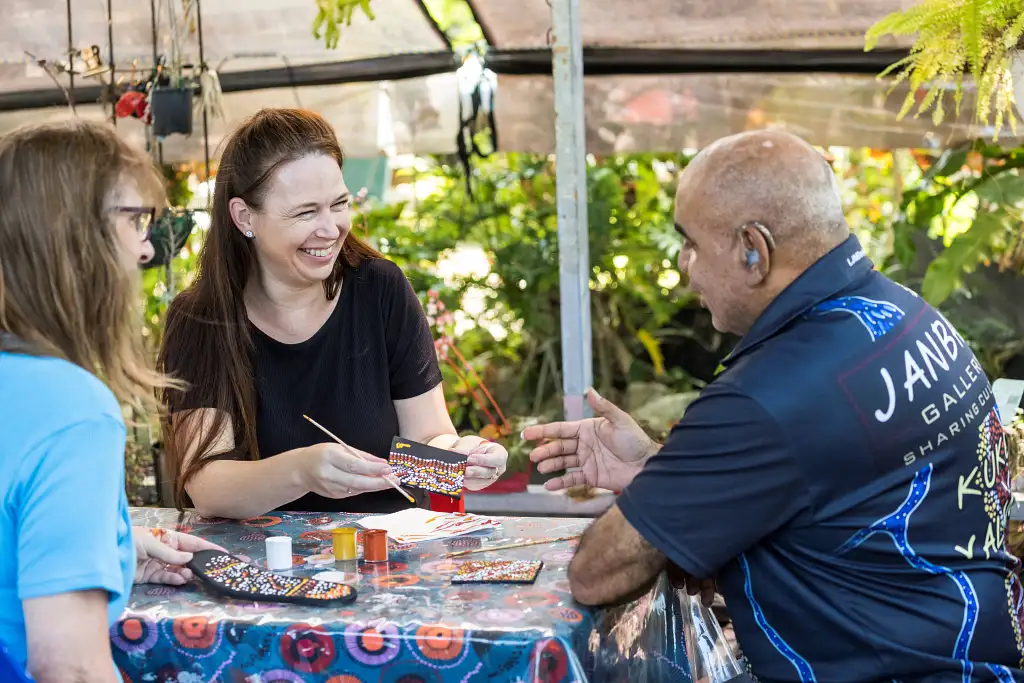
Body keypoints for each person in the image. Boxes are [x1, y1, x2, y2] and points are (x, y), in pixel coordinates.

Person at [525, 130, 1024, 680]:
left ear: (753, 250)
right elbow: (826, 475)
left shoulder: (767, 393)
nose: (684, 269)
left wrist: (658, 491)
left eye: (690, 243)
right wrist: (658, 468)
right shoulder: (905, 317)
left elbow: (597, 575)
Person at [159, 108, 507, 518]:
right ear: (244, 216)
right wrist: (301, 471)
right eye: (306, 212)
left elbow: (427, 439)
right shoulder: (199, 318)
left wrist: (462, 457)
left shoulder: (381, 290)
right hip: (255, 562)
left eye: (338, 204)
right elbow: (208, 486)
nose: (331, 229)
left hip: (386, 555)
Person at [0, 121, 222, 682]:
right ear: (71, 236)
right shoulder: (71, 408)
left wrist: (118, 548)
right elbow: (68, 666)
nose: (147, 247)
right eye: (135, 219)